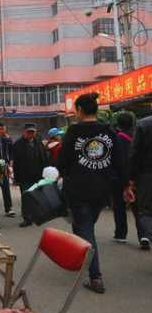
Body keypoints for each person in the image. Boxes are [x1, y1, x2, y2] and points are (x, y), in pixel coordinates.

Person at [58, 93, 124, 294]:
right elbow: (119, 161)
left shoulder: (74, 131)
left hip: (79, 189)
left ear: (79, 110)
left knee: (85, 229)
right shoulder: (110, 131)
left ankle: (95, 277)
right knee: (84, 225)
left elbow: (62, 162)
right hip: (102, 189)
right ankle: (81, 260)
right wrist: (124, 185)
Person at [111, 113, 145, 246]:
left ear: (118, 124)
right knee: (138, 207)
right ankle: (143, 235)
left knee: (119, 206)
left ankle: (120, 234)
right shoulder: (137, 136)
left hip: (119, 178)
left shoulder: (117, 139)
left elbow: (115, 161)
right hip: (136, 178)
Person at [124, 114, 152, 251]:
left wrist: (130, 179)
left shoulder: (143, 124)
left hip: (147, 176)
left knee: (146, 211)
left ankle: (147, 234)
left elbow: (134, 153)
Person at [12, 123, 48, 227]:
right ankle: (27, 219)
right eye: (29, 132)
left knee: (37, 197)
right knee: (26, 197)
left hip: (38, 175)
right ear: (24, 132)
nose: (31, 134)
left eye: (33, 132)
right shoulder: (18, 144)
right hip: (25, 176)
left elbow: (44, 158)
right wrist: (16, 178)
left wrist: (46, 173)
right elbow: (16, 163)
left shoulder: (38, 143)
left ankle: (36, 216)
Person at [0, 121, 15, 217]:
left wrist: (10, 164)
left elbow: (11, 152)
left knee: (6, 188)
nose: (1, 131)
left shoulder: (7, 139)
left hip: (4, 166)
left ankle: (8, 209)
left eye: (3, 129)